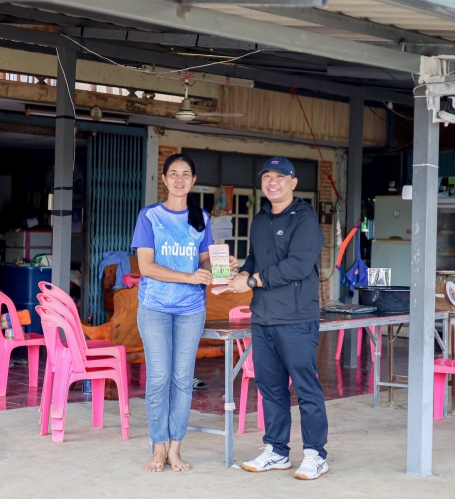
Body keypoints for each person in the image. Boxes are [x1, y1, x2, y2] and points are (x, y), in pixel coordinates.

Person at [131, 153, 236, 473]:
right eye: (173, 173)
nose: (179, 179)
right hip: (155, 307)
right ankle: (158, 448)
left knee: (182, 379)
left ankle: (175, 449)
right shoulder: (150, 216)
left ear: (193, 181)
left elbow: (204, 261)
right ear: (164, 179)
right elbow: (146, 267)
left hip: (191, 309)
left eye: (185, 174)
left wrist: (221, 267)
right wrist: (189, 277)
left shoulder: (201, 217)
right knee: (159, 378)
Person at [227, 156, 329, 480]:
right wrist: (239, 271)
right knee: (270, 387)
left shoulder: (305, 219)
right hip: (263, 317)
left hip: (296, 317)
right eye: (267, 177)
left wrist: (253, 281)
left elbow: (298, 265)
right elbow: (255, 258)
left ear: (293, 182)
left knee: (305, 387)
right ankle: (277, 451)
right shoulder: (260, 220)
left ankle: (315, 454)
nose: (273, 182)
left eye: (280, 177)